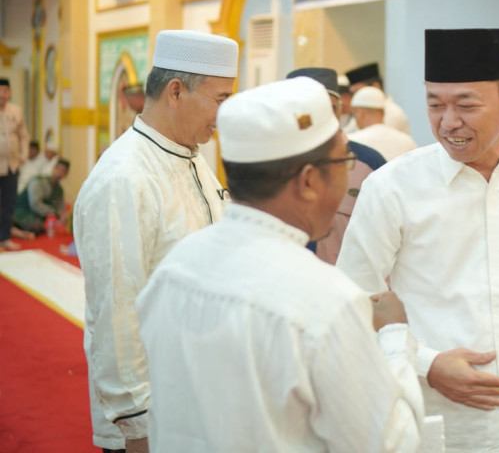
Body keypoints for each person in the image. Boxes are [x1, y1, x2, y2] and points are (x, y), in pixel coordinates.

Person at [137, 77, 424, 451]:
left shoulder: (174, 271)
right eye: (344, 160)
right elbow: (391, 444)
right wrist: (395, 336)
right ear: (308, 182)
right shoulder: (327, 302)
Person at [338, 28, 499, 452]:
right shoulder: (393, 188)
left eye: (466, 105)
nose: (447, 122)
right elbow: (349, 303)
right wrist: (428, 364)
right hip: (437, 430)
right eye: (434, 104)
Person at [74, 30, 238, 453]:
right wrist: (138, 429)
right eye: (221, 99)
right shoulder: (124, 179)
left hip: (197, 400)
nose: (225, 113)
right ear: (177, 91)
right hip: (153, 424)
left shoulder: (192, 158)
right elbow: (116, 314)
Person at [286, 67, 386, 264]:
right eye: (310, 108)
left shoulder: (368, 163)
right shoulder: (273, 164)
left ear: (340, 110)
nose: (320, 116)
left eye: (328, 108)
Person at [349, 86, 418, 161]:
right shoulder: (408, 141)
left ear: (360, 113)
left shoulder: (353, 141)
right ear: (383, 112)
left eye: (354, 114)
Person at [0, 77, 29, 250]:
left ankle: (5, 237)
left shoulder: (16, 111)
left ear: (10, 93)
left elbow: (23, 135)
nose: (2, 95)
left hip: (11, 164)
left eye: (5, 91)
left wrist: (23, 155)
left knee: (9, 202)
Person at [346, 62, 410, 133]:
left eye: (357, 91)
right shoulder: (362, 110)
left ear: (376, 86)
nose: (355, 97)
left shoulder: (392, 113)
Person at [13, 158, 70, 235]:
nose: (59, 173)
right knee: (37, 226)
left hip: (37, 216)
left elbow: (60, 208)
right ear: (53, 169)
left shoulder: (59, 190)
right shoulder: (38, 182)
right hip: (21, 212)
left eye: (63, 171)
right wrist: (55, 212)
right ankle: (15, 229)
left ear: (66, 175)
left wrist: (63, 216)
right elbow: (35, 205)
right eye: (58, 169)